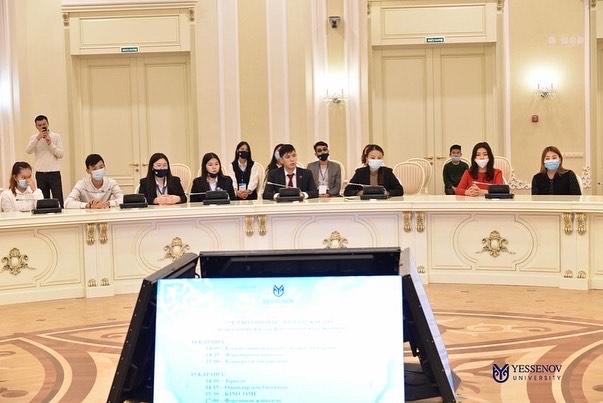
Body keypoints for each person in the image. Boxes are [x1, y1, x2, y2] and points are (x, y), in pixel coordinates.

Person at [25, 115, 64, 207]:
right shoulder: (34, 138)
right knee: (43, 201)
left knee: (58, 200)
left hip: (54, 173)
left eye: (44, 124)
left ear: (48, 124)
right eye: (39, 125)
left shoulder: (56, 136)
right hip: (40, 174)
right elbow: (28, 151)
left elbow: (60, 154)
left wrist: (50, 143)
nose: (42, 127)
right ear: (36, 126)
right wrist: (37, 138)